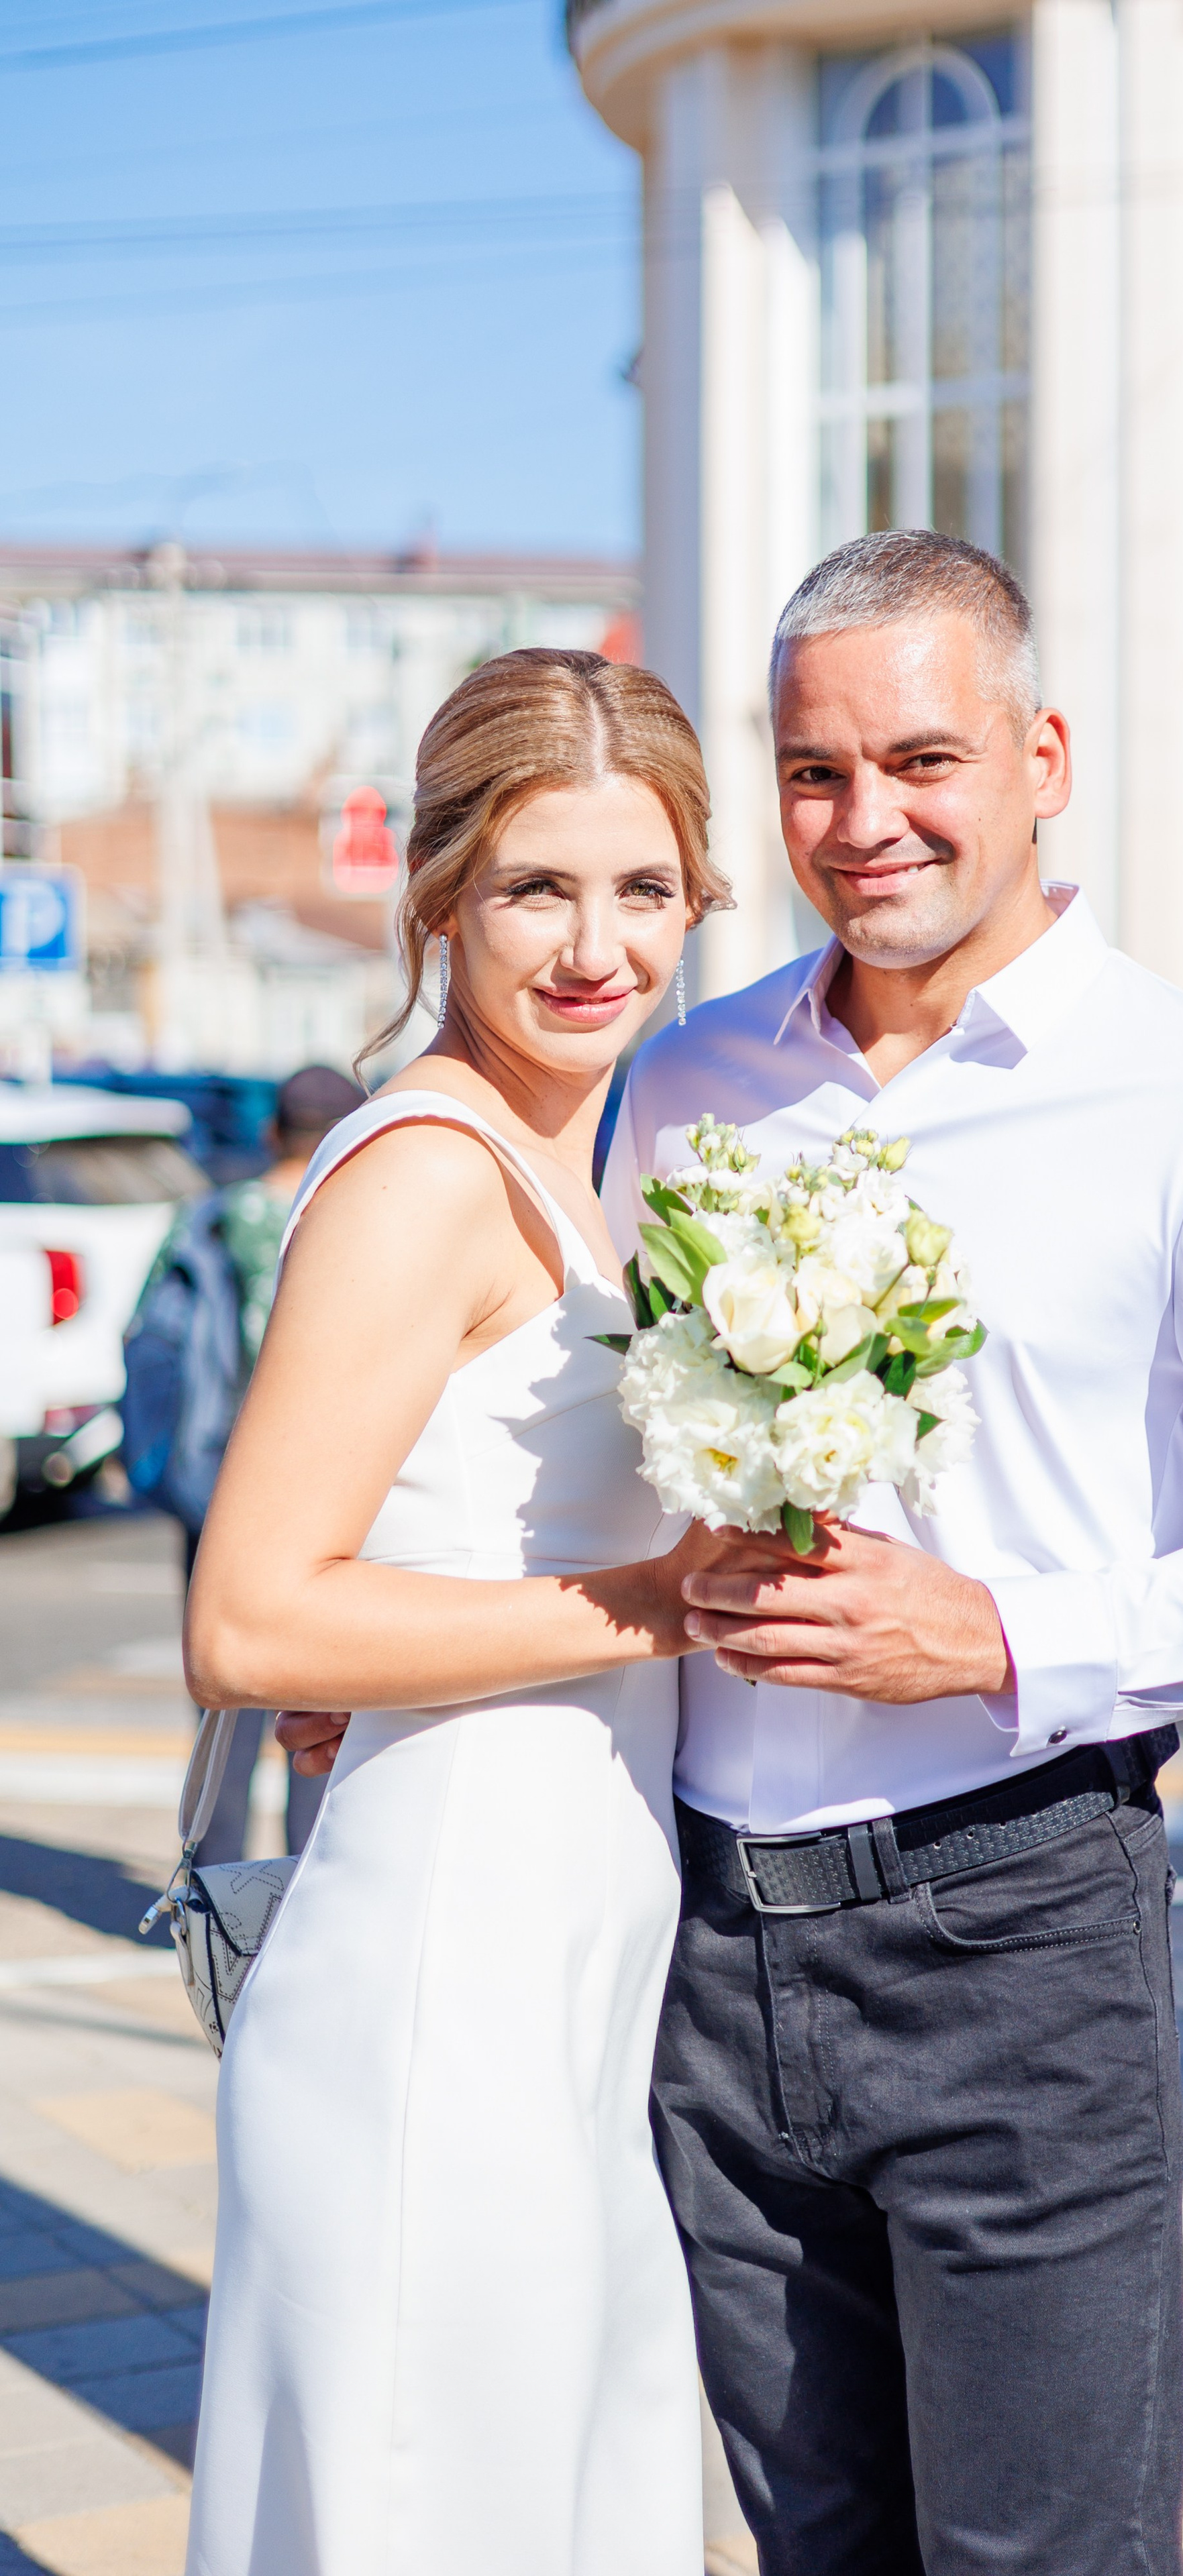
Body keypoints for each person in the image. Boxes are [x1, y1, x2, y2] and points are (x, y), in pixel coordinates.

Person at [285, 533, 1183, 2576]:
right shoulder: (690, 1075)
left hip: (1018, 1926)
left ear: (1041, 752)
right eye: (815, 772)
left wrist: (1003, 1632)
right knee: (816, 2544)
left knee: (1039, 2555)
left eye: (921, 758)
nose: (864, 819)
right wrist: (367, 1622)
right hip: (699, 1953)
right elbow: (560, 1425)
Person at [183, 649, 730, 2576]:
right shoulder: (426, 1175)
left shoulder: (585, 1176)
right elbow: (250, 1623)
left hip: (566, 1974)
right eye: (536, 889)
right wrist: (659, 1607)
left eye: (643, 890)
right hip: (439, 1985)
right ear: (438, 900)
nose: (598, 946)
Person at [124, 1065, 365, 1866]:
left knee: (224, 1698)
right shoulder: (360, 1219)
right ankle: (303, 1890)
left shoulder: (214, 1219)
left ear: (272, 1132)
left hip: (221, 1490)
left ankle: (214, 1895)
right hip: (339, 1501)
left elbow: (149, 1337)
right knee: (320, 1711)